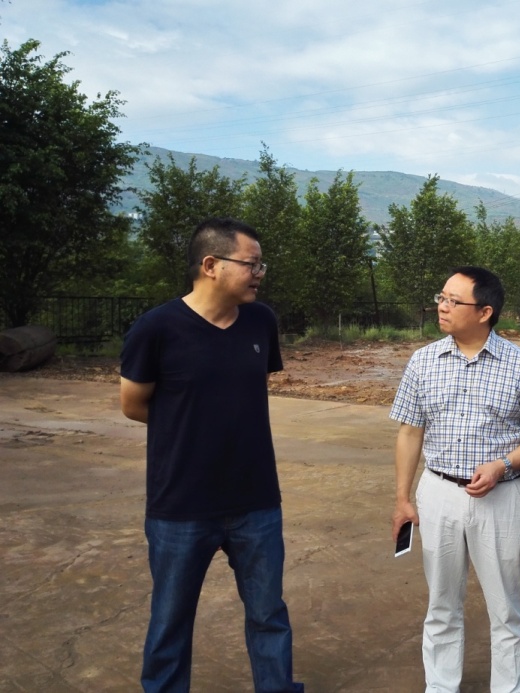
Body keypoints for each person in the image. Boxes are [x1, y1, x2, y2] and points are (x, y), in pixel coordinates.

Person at [119, 217, 304, 693]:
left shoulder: (261, 321)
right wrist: (190, 428)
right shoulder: (156, 328)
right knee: (170, 620)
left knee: (268, 613)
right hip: (181, 505)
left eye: (261, 265)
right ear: (210, 265)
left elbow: (242, 391)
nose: (259, 273)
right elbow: (134, 405)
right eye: (251, 264)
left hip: (256, 500)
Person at [389, 266, 520, 693]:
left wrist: (503, 465)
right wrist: (402, 498)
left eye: (453, 300)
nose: (442, 307)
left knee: (506, 608)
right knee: (441, 604)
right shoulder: (423, 361)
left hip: (500, 498)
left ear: (485, 312)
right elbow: (409, 432)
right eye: (441, 297)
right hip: (438, 493)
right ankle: (441, 686)